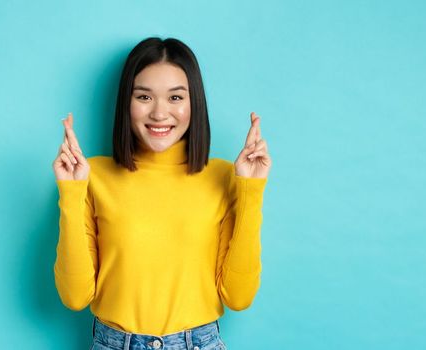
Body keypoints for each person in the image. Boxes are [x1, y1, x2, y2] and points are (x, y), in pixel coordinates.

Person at [52, 37, 271, 350]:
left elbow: (238, 297)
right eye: (144, 96)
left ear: (194, 102)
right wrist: (72, 193)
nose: (159, 113)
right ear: (126, 103)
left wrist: (251, 189)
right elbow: (74, 297)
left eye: (175, 97)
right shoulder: (93, 176)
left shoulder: (224, 176)